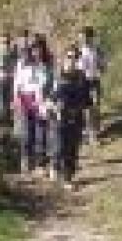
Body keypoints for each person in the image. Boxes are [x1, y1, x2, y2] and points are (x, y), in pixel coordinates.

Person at [49, 47, 89, 190]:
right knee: (60, 147)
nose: (72, 60)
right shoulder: (57, 76)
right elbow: (49, 98)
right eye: (69, 57)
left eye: (75, 58)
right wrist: (55, 108)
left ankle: (68, 178)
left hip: (76, 117)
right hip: (59, 117)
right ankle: (54, 165)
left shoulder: (82, 77)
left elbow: (86, 100)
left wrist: (83, 112)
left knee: (73, 149)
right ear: (64, 58)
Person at [14, 46, 46, 173]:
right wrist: (17, 100)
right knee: (27, 131)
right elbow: (17, 86)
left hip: (38, 100)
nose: (26, 57)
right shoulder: (21, 69)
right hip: (25, 100)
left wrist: (41, 101)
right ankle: (26, 159)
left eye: (28, 55)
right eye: (24, 55)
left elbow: (43, 85)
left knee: (39, 132)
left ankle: (39, 162)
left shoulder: (40, 68)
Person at [32, 35, 55, 174]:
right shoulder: (28, 63)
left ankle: (50, 162)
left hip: (46, 100)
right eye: (34, 48)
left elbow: (53, 81)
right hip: (32, 100)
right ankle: (40, 163)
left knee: (48, 131)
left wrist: (50, 98)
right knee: (38, 132)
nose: (36, 51)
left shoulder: (49, 63)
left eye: (38, 48)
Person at [77, 26, 103, 144]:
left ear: (91, 37)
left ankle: (94, 131)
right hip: (83, 81)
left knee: (96, 105)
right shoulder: (78, 51)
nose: (84, 40)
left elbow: (103, 64)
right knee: (87, 108)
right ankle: (89, 133)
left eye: (86, 37)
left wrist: (100, 69)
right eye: (81, 38)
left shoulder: (97, 50)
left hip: (95, 80)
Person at [0, 32, 17, 130]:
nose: (5, 44)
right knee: (0, 105)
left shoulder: (14, 54)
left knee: (9, 105)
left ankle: (9, 127)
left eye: (7, 42)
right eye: (3, 42)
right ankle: (0, 127)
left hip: (11, 82)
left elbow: (17, 67)